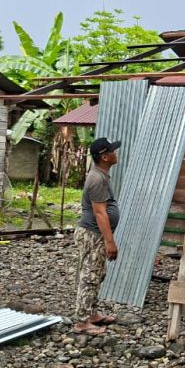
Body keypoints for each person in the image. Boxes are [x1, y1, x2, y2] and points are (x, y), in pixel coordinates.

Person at [73, 137, 121, 335]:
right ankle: (82, 321)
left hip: (95, 234)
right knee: (90, 276)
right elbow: (100, 213)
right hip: (93, 234)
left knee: (98, 274)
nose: (116, 153)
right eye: (112, 151)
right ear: (104, 157)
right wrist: (110, 242)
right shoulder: (97, 179)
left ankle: (92, 314)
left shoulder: (101, 175)